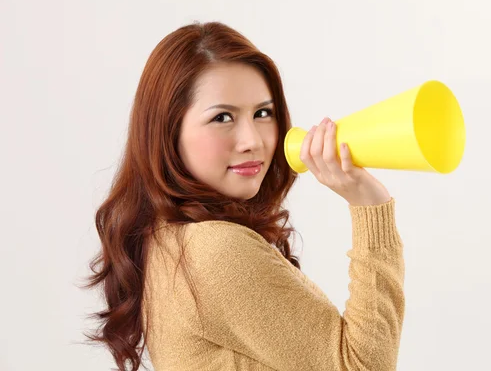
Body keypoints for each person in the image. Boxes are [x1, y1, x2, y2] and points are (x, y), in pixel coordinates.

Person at [84, 21, 405, 371]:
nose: (252, 139)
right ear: (168, 132)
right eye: (223, 117)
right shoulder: (215, 251)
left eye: (263, 113)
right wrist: (369, 206)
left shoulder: (167, 234)